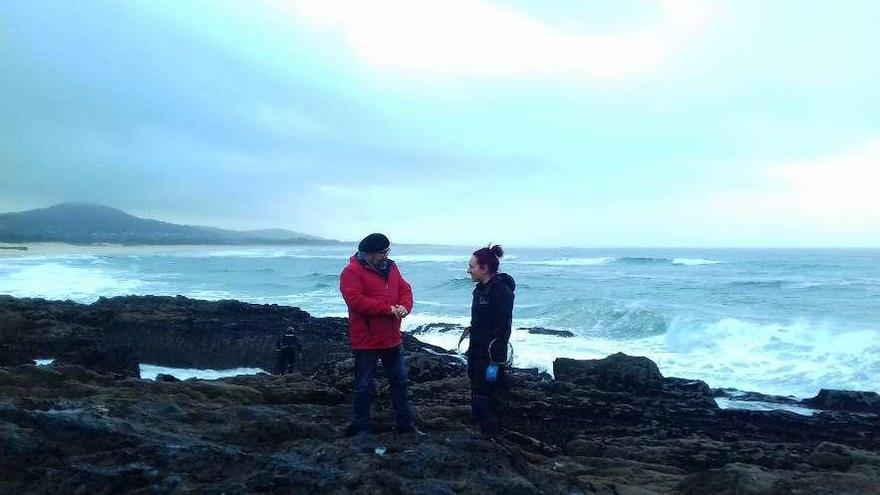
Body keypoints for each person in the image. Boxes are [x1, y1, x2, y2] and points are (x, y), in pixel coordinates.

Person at [339, 233, 419, 436]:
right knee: (364, 385)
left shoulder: (392, 267)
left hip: (392, 337)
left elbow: (405, 288)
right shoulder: (351, 271)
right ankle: (362, 426)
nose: (385, 255)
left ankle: (405, 424)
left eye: (386, 251)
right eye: (382, 252)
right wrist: (387, 309)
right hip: (366, 340)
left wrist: (405, 307)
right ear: (369, 254)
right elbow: (355, 300)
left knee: (400, 380)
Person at [466, 244, 515, 439]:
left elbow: (504, 328)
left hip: (491, 356)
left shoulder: (501, 291)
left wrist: (496, 359)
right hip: (475, 352)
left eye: (471, 266)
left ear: (484, 268)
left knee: (482, 400)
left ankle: (491, 441)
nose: (468, 270)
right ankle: (485, 436)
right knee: (477, 397)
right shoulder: (479, 291)